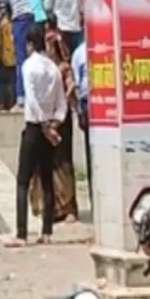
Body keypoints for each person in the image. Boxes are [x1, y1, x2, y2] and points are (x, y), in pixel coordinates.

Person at [8, 25, 65, 246]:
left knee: (23, 180)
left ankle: (22, 233)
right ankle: (47, 231)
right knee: (47, 180)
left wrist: (42, 124)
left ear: (30, 44)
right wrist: (54, 123)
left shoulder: (29, 66)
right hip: (50, 127)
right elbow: (61, 103)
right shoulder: (53, 68)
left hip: (34, 127)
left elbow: (31, 98)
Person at [31, 18, 79, 224]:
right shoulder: (42, 67)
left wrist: (63, 103)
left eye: (53, 46)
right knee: (44, 164)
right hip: (45, 119)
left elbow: (71, 89)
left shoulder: (63, 68)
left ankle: (68, 207)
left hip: (61, 119)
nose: (50, 48)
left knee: (62, 163)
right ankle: (48, 206)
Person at [3, 0, 39, 106]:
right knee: (32, 56)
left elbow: (5, 7)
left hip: (20, 20)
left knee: (20, 58)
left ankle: (21, 97)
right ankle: (32, 94)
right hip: (32, 19)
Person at [71, 37, 91, 209]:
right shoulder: (79, 53)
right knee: (90, 152)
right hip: (87, 103)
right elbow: (76, 85)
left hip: (107, 101)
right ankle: (93, 196)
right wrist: (79, 111)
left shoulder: (109, 45)